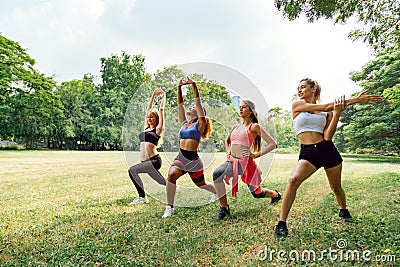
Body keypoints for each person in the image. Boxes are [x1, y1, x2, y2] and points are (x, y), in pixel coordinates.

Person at [274, 78, 382, 239]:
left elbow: (328, 136)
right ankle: (282, 224)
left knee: (336, 187)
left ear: (313, 88)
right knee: (293, 180)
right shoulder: (297, 105)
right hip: (308, 153)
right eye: (298, 88)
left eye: (303, 87)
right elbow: (324, 105)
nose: (299, 90)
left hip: (326, 150)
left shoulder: (328, 112)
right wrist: (357, 100)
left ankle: (343, 210)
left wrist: (337, 113)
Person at [213, 100, 280, 220]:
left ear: (251, 111)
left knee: (257, 193)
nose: (240, 109)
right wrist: (228, 150)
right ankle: (224, 208)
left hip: (246, 164)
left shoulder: (254, 127)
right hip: (232, 162)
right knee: (217, 173)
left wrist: (255, 155)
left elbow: (272, 144)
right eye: (240, 107)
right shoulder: (236, 127)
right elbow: (227, 141)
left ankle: (276, 195)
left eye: (244, 107)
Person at [162, 77, 217, 218]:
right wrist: (179, 87)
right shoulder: (184, 123)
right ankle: (169, 207)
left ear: (200, 114)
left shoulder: (200, 124)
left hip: (193, 160)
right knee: (171, 175)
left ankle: (216, 192)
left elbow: (197, 102)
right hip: (181, 156)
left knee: (202, 184)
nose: (190, 107)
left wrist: (193, 85)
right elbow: (180, 104)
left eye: (193, 108)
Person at [128, 89, 166, 204]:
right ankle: (173, 187)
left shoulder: (158, 130)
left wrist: (163, 97)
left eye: (152, 117)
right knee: (161, 181)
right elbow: (148, 110)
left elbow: (161, 109)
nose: (149, 119)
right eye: (148, 117)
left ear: (157, 119)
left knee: (132, 170)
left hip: (154, 160)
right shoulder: (146, 127)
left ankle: (142, 197)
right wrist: (153, 95)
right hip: (146, 161)